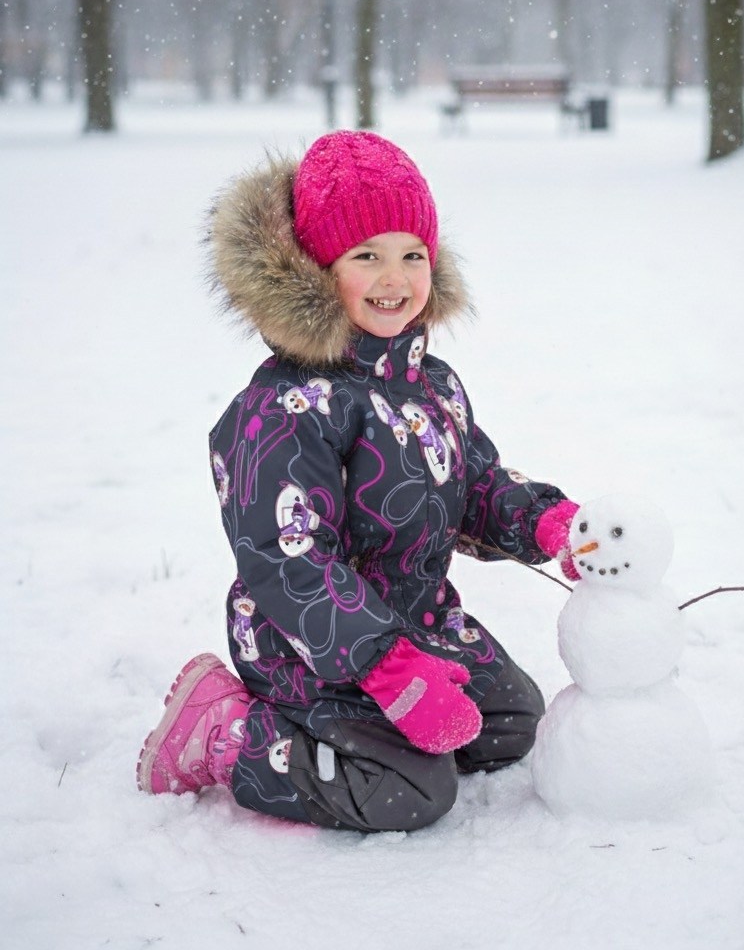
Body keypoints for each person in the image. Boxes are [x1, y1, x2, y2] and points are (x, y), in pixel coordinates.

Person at [136, 130, 579, 832]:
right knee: (410, 791)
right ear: (316, 269)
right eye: (365, 256)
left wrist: (551, 524)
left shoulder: (429, 382)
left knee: (508, 724)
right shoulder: (285, 408)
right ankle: (228, 734)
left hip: (418, 620)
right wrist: (388, 670)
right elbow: (290, 563)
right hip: (309, 644)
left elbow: (474, 484)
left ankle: (388, 717)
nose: (394, 279)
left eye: (412, 256)